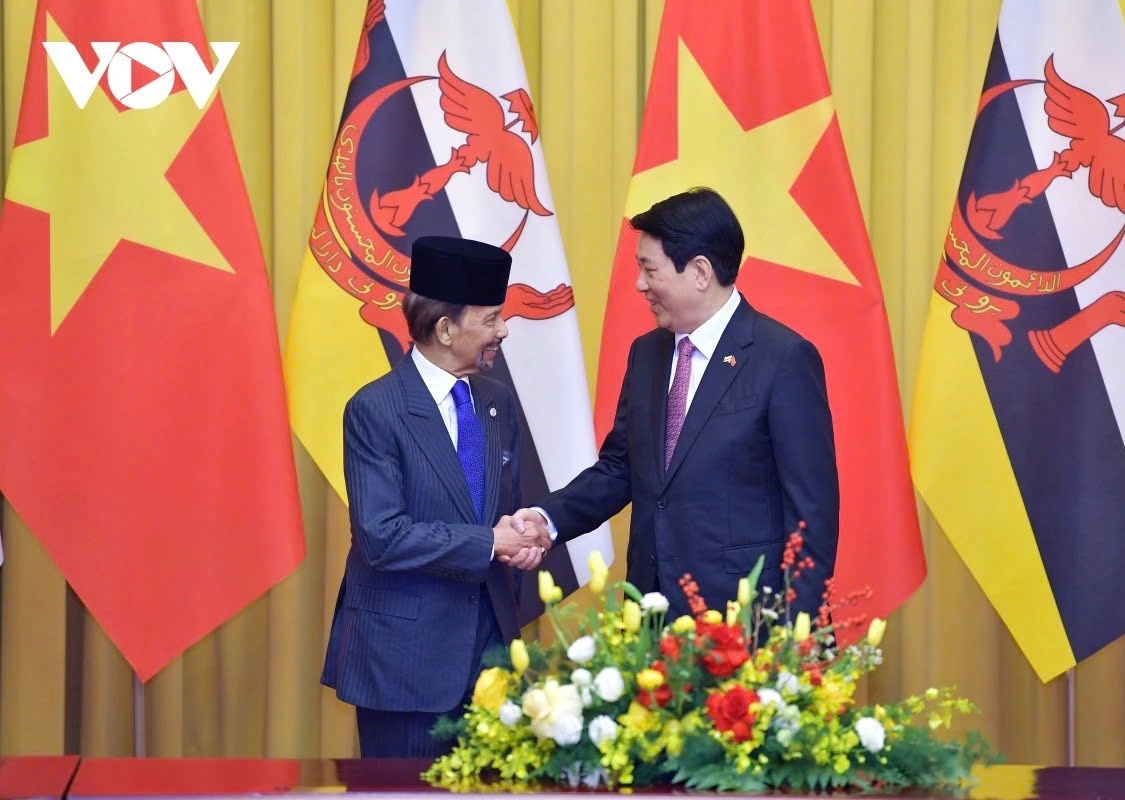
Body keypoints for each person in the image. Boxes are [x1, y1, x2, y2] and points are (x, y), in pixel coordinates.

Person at [521, 187, 838, 620]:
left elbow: (812, 513)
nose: (639, 285)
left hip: (744, 622)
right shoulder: (647, 354)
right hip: (651, 616)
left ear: (700, 271)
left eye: (649, 269)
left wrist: (793, 637)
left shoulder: (781, 358)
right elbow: (619, 469)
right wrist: (547, 519)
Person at [321, 235, 550, 758]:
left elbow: (497, 518)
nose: (505, 330)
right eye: (491, 319)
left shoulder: (497, 403)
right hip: (405, 663)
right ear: (446, 329)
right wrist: (490, 542)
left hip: (491, 656)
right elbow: (382, 537)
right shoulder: (376, 410)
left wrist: (523, 538)